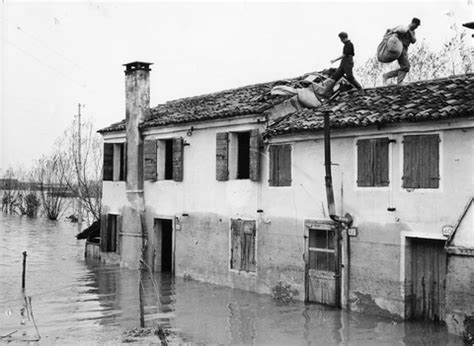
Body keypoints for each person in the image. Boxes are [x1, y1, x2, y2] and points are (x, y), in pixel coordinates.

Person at [383, 17, 421, 85]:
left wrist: (409, 32)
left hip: (405, 50)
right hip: (400, 49)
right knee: (406, 67)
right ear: (413, 23)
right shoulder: (404, 29)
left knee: (405, 67)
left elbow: (413, 40)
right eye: (416, 26)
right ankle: (399, 82)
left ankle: (387, 75)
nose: (416, 27)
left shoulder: (411, 32)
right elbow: (394, 31)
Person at [324, 32, 362, 97]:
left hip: (348, 62)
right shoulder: (346, 45)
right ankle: (327, 93)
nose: (340, 40)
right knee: (336, 76)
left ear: (342, 38)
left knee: (349, 76)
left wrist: (335, 60)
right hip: (344, 62)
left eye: (340, 39)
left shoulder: (349, 44)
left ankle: (360, 88)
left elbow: (345, 54)